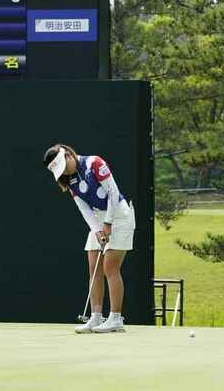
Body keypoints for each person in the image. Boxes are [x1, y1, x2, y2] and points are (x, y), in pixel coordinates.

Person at [43, 143, 135, 333]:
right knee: (94, 267)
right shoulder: (69, 181)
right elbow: (83, 208)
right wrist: (97, 230)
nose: (64, 172)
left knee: (110, 267)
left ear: (68, 155)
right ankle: (95, 317)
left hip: (119, 215)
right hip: (99, 219)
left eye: (63, 166)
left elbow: (113, 192)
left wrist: (108, 223)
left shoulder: (94, 162)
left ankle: (116, 318)